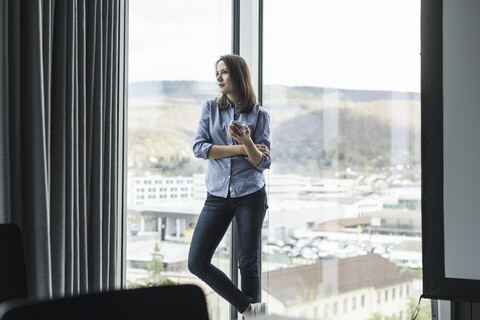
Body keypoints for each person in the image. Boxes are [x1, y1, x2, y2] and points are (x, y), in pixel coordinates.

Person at [188, 54, 271, 319]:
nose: (219, 78)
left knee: (248, 263)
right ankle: (249, 309)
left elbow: (262, 162)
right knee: (197, 262)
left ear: (237, 75)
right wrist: (241, 148)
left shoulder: (260, 115)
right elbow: (200, 149)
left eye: (224, 72)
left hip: (251, 194)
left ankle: (254, 317)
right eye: (217, 73)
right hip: (216, 194)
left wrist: (248, 142)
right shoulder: (210, 108)